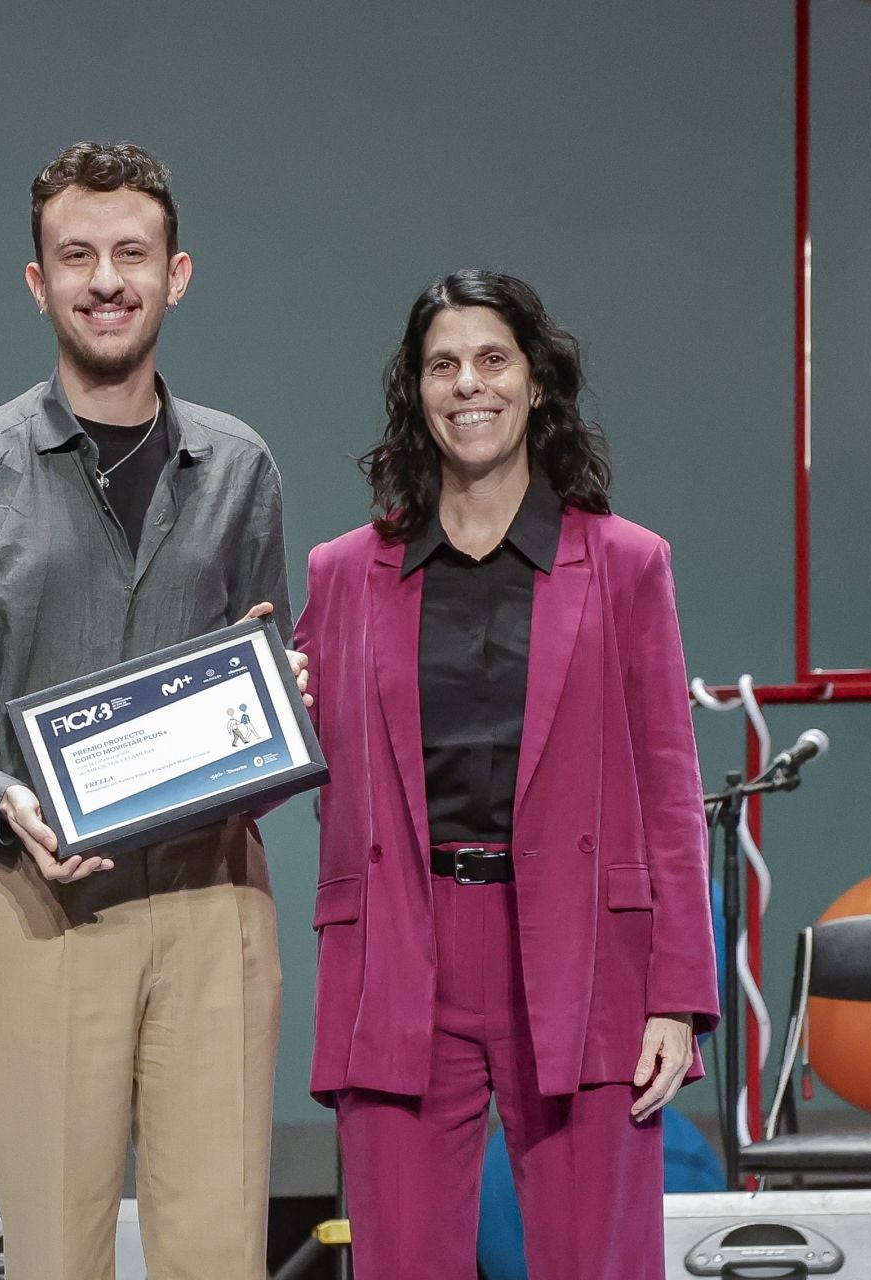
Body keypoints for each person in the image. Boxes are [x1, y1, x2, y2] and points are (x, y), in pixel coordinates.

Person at [0, 140, 290, 1280]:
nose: (107, 280)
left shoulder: (239, 467)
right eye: (77, 256)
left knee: (220, 1255)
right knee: (54, 1254)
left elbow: (263, 672)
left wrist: (279, 705)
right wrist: (3, 798)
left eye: (132, 254)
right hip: (41, 901)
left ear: (176, 274)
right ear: (37, 281)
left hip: (213, 898)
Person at [292, 270, 719, 1277]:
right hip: (401, 946)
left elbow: (670, 791)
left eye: (493, 359)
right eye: (442, 364)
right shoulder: (343, 574)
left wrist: (676, 997)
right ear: (416, 390)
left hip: (585, 950)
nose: (468, 384)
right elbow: (289, 759)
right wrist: (264, 703)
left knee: (597, 1261)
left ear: (536, 382)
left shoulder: (626, 563)